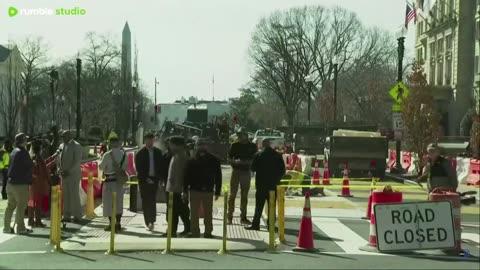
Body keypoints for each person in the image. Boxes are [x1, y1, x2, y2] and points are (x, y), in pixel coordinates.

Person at [184, 138, 222, 238]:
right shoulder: (191, 160)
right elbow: (186, 176)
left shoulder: (214, 159)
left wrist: (218, 191)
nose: (202, 146)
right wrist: (185, 190)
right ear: (196, 146)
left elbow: (218, 176)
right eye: (199, 145)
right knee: (194, 213)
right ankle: (195, 232)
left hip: (208, 190)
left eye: (203, 144)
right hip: (194, 190)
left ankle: (208, 232)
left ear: (207, 146)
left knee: (208, 213)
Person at [245, 138, 286, 231]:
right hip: (273, 185)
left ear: (263, 145)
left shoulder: (258, 155)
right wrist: (276, 179)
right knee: (272, 206)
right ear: (270, 144)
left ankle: (256, 224)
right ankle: (271, 225)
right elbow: (282, 170)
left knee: (259, 206)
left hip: (261, 184)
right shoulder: (277, 155)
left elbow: (253, 168)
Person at [3, 133, 33, 234]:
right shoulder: (23, 152)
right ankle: (20, 228)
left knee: (10, 205)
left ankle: (6, 227)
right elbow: (29, 166)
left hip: (10, 183)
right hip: (20, 184)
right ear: (23, 141)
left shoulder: (13, 151)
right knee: (21, 206)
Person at [227, 128, 257, 225]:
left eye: (241, 135)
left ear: (246, 135)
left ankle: (243, 217)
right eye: (238, 135)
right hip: (236, 171)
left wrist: (246, 162)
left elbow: (255, 159)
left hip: (246, 171)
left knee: (244, 196)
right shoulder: (234, 145)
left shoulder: (252, 146)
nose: (239, 136)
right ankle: (229, 216)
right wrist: (235, 162)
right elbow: (228, 158)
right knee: (232, 195)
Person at [134, 132, 163, 231]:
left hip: (155, 180)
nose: (150, 142)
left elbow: (160, 167)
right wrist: (146, 178)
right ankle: (148, 221)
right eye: (148, 140)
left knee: (153, 200)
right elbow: (139, 168)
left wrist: (158, 179)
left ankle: (152, 220)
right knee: (146, 201)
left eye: (152, 140)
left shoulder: (158, 152)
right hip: (144, 181)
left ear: (153, 140)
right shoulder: (140, 153)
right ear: (145, 140)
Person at [99, 137, 128, 232]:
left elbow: (101, 167)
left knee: (108, 203)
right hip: (119, 181)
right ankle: (118, 223)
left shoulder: (107, 155)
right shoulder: (123, 155)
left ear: (110, 143)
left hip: (109, 181)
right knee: (119, 202)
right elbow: (125, 167)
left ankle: (111, 224)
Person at [166, 136, 191, 237]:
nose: (170, 146)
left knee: (179, 211)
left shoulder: (183, 156)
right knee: (175, 211)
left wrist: (184, 189)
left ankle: (175, 230)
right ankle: (175, 229)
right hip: (172, 188)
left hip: (177, 189)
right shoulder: (176, 155)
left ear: (178, 145)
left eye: (171, 144)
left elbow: (185, 174)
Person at [56, 130, 83, 223]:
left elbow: (77, 162)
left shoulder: (77, 146)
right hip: (63, 175)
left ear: (69, 136)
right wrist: (59, 169)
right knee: (66, 195)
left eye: (64, 136)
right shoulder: (61, 146)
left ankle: (77, 215)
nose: (62, 138)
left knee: (74, 194)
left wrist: (69, 171)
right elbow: (58, 159)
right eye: (62, 137)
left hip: (73, 175)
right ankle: (66, 215)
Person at [28, 140, 56, 227]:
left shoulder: (32, 157)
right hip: (39, 184)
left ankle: (31, 220)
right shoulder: (38, 158)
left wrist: (52, 158)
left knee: (31, 203)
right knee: (38, 204)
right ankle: (38, 221)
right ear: (40, 149)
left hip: (32, 184)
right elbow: (43, 170)